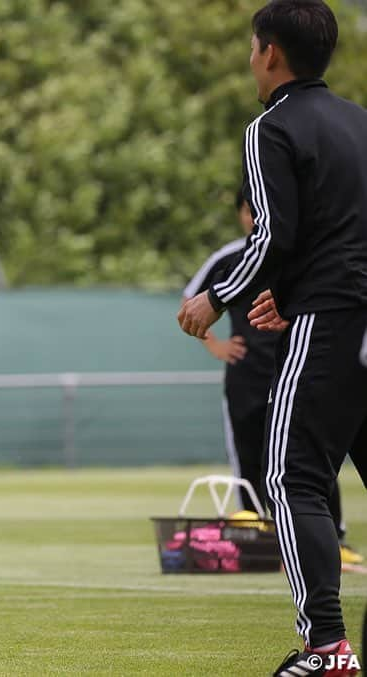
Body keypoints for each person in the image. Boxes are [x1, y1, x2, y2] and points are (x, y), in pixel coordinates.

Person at [177, 2, 367, 674]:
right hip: (350, 310)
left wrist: (216, 296)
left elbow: (273, 233)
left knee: (288, 477)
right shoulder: (358, 121)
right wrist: (286, 297)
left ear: (268, 54)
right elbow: (336, 230)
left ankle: (326, 648)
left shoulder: (270, 127)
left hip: (334, 322)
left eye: (250, 47)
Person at [182, 187, 362, 566]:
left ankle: (335, 538)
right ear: (240, 216)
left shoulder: (302, 253)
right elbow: (191, 302)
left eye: (258, 210)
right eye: (247, 211)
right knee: (251, 456)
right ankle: (261, 539)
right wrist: (216, 346)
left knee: (311, 457)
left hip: (301, 366)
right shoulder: (229, 258)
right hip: (246, 376)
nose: (253, 217)